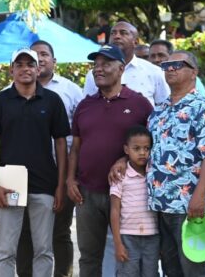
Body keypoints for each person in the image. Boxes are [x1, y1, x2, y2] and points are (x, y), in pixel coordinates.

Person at [67, 44, 153, 277]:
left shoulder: (140, 104)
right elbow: (75, 148)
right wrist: (70, 180)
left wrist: (125, 159)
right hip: (87, 192)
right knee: (89, 256)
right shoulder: (85, 106)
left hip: (128, 193)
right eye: (96, 65)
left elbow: (151, 146)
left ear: (121, 68)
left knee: (128, 254)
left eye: (106, 64)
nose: (99, 69)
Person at [0, 48, 70, 277]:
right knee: (6, 251)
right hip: (9, 185)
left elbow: (61, 143)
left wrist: (61, 186)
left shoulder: (52, 100)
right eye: (20, 65)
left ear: (38, 68)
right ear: (11, 70)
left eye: (30, 64)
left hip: (45, 184)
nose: (25, 69)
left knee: (44, 249)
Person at [147, 51, 205, 276]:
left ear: (194, 72)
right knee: (172, 271)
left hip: (190, 206)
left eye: (178, 64)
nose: (170, 69)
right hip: (160, 206)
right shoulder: (158, 110)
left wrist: (198, 197)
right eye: (166, 65)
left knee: (194, 271)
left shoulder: (203, 108)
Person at [16, 40, 83, 277]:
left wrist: (68, 178)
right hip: (21, 179)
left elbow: (79, 135)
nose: (40, 58)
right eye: (35, 56)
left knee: (59, 234)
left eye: (44, 54)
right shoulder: (10, 93)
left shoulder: (71, 90)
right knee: (24, 235)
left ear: (54, 61)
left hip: (61, 175)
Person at [83, 21, 169, 106]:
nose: (116, 36)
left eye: (123, 33)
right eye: (113, 33)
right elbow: (87, 107)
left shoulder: (154, 72)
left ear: (135, 42)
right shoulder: (94, 75)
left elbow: (165, 107)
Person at [110, 126, 158, 277]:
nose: (142, 153)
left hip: (153, 238)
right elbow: (115, 210)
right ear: (126, 149)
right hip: (127, 238)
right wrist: (118, 243)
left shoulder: (154, 175)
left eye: (146, 148)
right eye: (136, 148)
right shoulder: (120, 176)